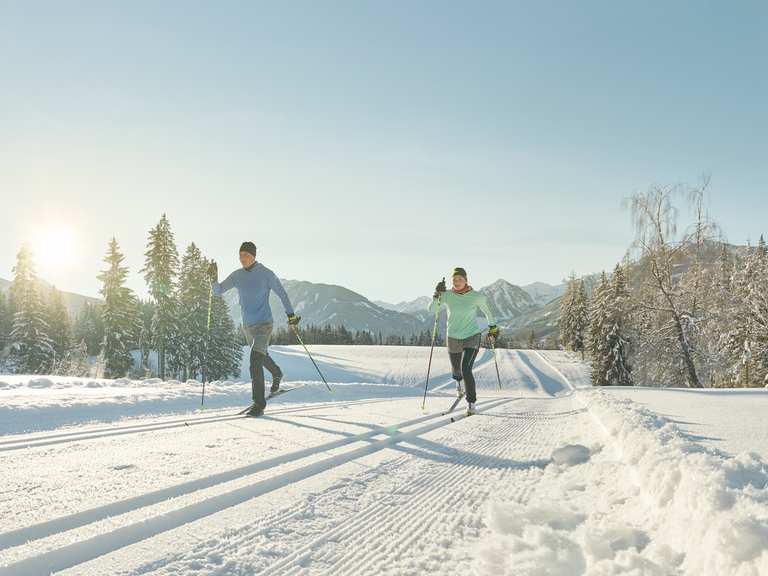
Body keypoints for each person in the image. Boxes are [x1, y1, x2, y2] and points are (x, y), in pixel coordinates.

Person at [208, 241, 300, 417]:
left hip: (264, 324)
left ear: (254, 256)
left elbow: (282, 293)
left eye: (246, 255)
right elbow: (218, 292)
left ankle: (259, 404)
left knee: (255, 360)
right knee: (261, 355)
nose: (243, 258)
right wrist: (213, 278)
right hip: (248, 327)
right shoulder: (237, 275)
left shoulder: (266, 274)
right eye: (240, 255)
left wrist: (291, 316)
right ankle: (277, 373)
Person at [429, 267, 499, 415]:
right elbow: (432, 309)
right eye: (454, 280)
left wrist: (493, 327)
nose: (457, 282)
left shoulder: (476, 297)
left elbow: (488, 312)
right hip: (453, 336)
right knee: (457, 370)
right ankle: (459, 383)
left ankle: (471, 403)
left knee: (466, 369)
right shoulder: (447, 295)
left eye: (460, 279)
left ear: (466, 280)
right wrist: (436, 295)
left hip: (472, 336)